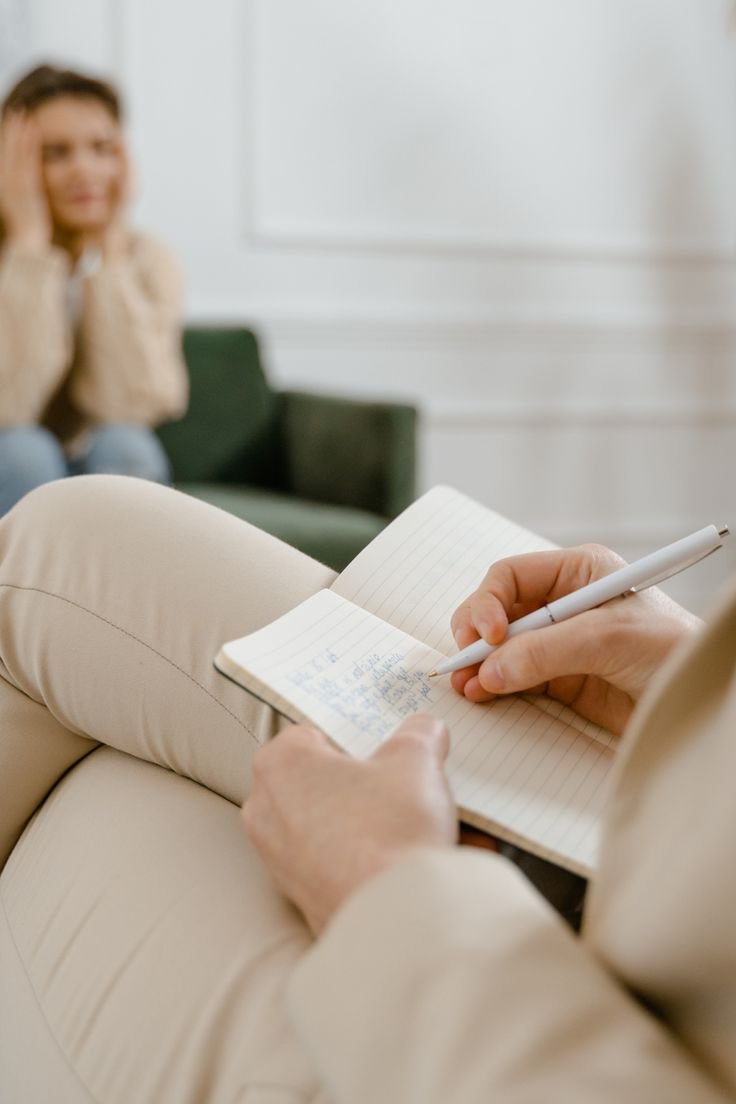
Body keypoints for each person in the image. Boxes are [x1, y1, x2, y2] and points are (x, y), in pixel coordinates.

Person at [0, 475, 733, 1102]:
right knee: (63, 538)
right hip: (676, 872)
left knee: (113, 783)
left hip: (532, 1039)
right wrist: (695, 691)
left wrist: (389, 887)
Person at [0, 64, 187, 516]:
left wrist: (110, 252)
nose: (84, 170)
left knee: (126, 444)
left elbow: (131, 404)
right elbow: (8, 406)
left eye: (101, 148)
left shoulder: (146, 258)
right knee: (23, 450)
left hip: (98, 461)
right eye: (56, 153)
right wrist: (28, 246)